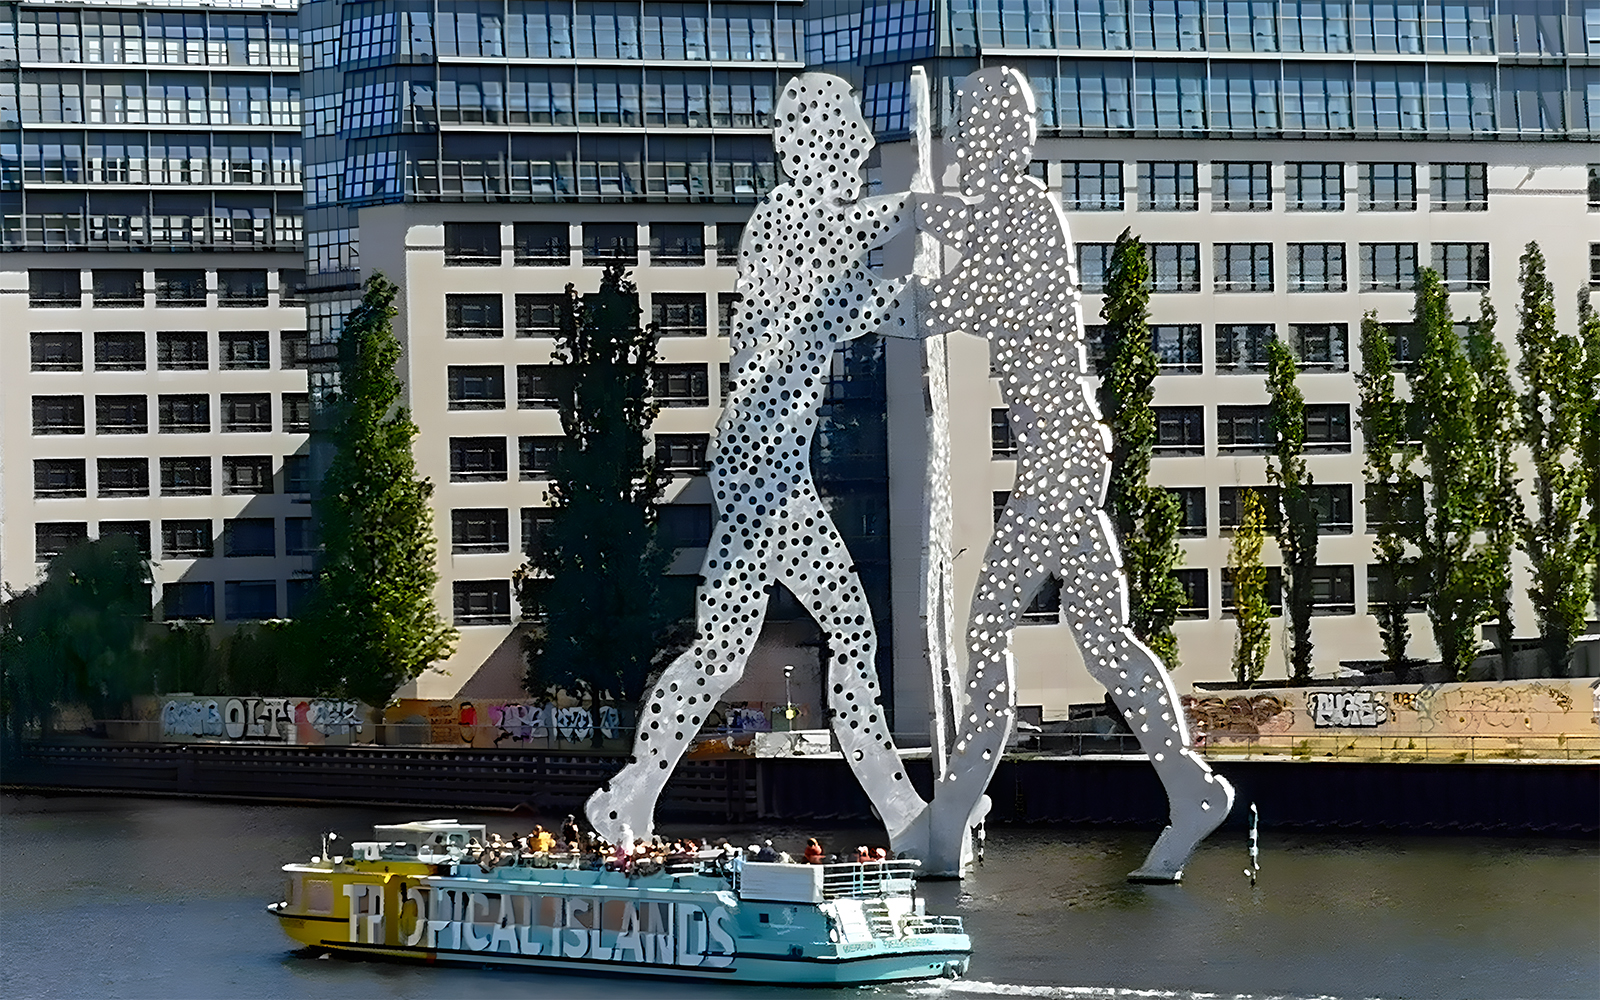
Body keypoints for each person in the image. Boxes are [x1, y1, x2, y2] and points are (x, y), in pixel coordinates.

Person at [585, 72, 940, 855]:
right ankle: (902, 815)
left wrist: (927, 292)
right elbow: (845, 268)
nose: (856, 148)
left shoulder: (812, 239)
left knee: (729, 651)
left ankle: (628, 796)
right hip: (762, 465)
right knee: (841, 630)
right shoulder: (786, 218)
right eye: (845, 132)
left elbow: (861, 306)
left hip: (765, 466)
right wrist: (917, 209)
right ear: (807, 146)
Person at [924, 66, 1234, 882]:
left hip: (1059, 460)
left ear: (1003, 136)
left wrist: (864, 302)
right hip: (1065, 454)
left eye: (969, 128)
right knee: (1103, 638)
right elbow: (970, 242)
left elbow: (959, 300)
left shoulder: (1025, 210)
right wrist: (931, 214)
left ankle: (949, 818)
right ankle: (1190, 789)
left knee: (988, 633)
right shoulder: (1006, 213)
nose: (958, 143)